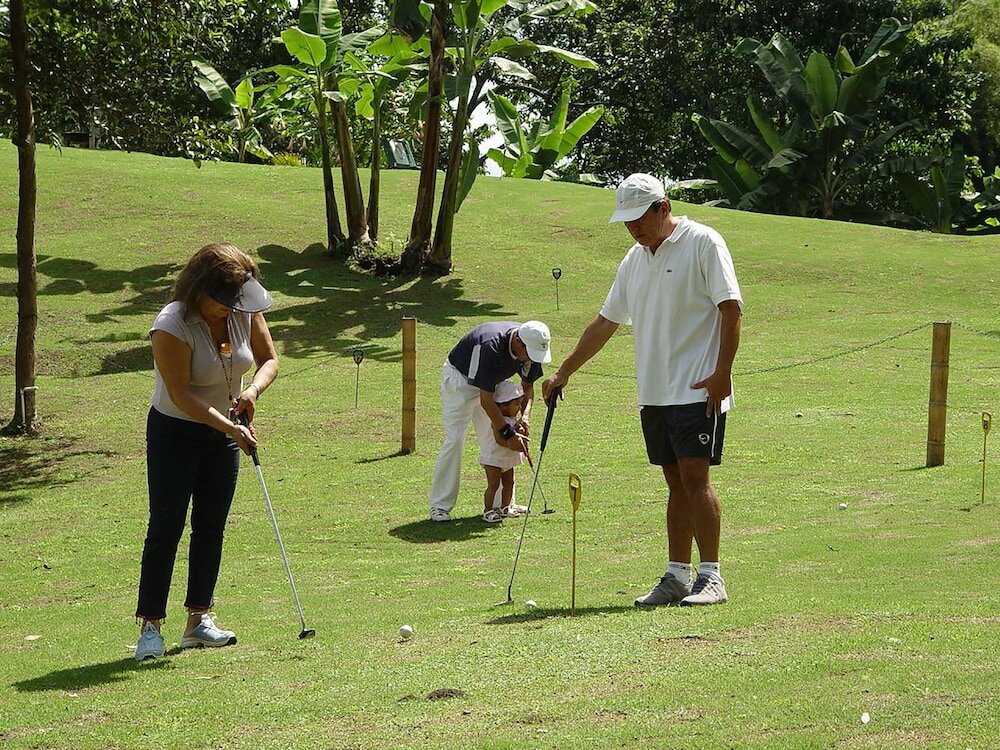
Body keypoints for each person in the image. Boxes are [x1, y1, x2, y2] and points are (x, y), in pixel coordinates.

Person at [541, 173, 742, 607]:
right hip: (654, 391)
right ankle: (676, 575)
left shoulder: (703, 242)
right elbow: (606, 322)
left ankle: (712, 576)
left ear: (663, 208)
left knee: (695, 475)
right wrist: (565, 371)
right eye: (627, 221)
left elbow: (730, 308)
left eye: (639, 218)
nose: (633, 228)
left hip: (698, 385)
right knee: (674, 481)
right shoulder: (633, 260)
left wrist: (723, 372)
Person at [134, 243, 279, 661]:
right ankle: (150, 627)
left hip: (225, 431)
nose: (232, 311)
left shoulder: (243, 310)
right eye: (224, 302)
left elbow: (270, 359)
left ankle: (198, 621)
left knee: (211, 525)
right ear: (201, 290)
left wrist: (251, 391)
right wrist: (228, 426)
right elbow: (180, 394)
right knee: (166, 526)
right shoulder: (171, 325)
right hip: (175, 432)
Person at [428, 320, 551, 522]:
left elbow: (527, 386)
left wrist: (524, 418)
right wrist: (506, 431)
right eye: (529, 354)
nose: (532, 359)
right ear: (518, 342)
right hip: (460, 381)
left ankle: (503, 504)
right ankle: (440, 506)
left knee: (496, 443)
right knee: (455, 439)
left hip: (494, 384)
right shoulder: (490, 345)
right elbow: (485, 398)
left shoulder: (532, 346)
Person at [478, 380, 531, 523]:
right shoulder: (498, 420)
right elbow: (500, 440)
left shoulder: (513, 419)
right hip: (494, 458)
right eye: (516, 404)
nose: (519, 407)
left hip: (507, 459)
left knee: (509, 482)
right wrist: (515, 443)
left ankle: (505, 507)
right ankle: (488, 510)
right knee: (494, 484)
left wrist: (520, 430)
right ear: (503, 405)